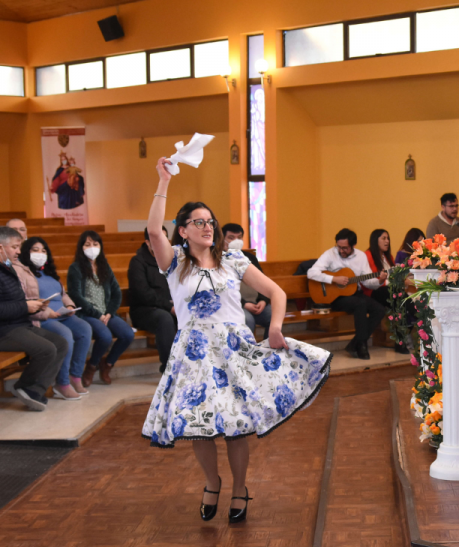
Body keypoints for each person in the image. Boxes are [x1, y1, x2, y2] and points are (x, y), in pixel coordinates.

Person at [141, 157, 332, 524]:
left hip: (233, 351)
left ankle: (240, 486)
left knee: (235, 426)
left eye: (209, 221)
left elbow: (277, 292)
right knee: (200, 426)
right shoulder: (175, 261)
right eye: (198, 222)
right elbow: (153, 231)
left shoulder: (233, 260)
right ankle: (212, 482)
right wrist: (163, 181)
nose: (207, 227)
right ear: (182, 230)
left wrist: (275, 328)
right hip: (194, 355)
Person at [0, 227, 66, 412]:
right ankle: (23, 386)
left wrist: (32, 304)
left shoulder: (7, 268)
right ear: (0, 247)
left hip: (19, 323)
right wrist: (25, 306)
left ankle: (35, 389)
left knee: (60, 343)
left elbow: (13, 301)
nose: (18, 251)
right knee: (46, 349)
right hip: (4, 330)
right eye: (14, 247)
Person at [18, 237, 92, 399]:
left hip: (62, 313)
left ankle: (75, 376)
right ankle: (62, 383)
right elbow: (26, 302)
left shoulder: (49, 272)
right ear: (26, 252)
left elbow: (63, 294)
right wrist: (47, 313)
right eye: (35, 250)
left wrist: (71, 306)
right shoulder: (23, 273)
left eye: (43, 250)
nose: (40, 254)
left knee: (85, 329)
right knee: (66, 335)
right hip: (45, 317)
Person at [66, 230, 134, 386]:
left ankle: (107, 364)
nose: (92, 247)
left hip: (107, 313)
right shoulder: (75, 268)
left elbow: (116, 292)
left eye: (95, 244)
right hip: (88, 314)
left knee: (127, 334)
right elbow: (76, 296)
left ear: (100, 246)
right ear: (81, 247)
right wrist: (98, 314)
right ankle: (91, 366)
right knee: (105, 337)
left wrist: (109, 313)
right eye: (87, 244)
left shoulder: (104, 266)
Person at [308, 228, 387, 360]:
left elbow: (367, 282)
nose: (341, 250)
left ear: (353, 246)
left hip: (354, 293)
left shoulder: (361, 256)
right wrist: (333, 279)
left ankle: (355, 343)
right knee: (360, 304)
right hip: (335, 297)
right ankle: (362, 345)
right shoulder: (330, 254)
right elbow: (311, 272)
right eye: (339, 247)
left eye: (345, 248)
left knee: (379, 310)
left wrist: (380, 280)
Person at [128, 226, 178, 374]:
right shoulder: (138, 262)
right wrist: (169, 307)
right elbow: (143, 293)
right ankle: (168, 369)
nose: (161, 243)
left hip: (170, 308)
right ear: (148, 242)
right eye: (157, 240)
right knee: (165, 319)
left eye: (164, 239)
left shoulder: (172, 260)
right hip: (144, 310)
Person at [221, 223, 271, 338]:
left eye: (239, 238)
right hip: (235, 305)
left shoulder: (249, 257)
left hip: (257, 302)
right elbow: (223, 289)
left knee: (274, 316)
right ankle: (247, 353)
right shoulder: (218, 258)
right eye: (231, 238)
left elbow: (263, 281)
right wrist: (244, 304)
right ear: (222, 239)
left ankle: (269, 351)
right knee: (247, 320)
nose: (236, 241)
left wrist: (263, 300)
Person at [365, 229, 394, 308]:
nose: (387, 241)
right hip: (374, 291)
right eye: (384, 238)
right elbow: (374, 279)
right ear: (375, 240)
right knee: (393, 292)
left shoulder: (389, 257)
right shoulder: (367, 255)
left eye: (388, 238)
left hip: (389, 289)